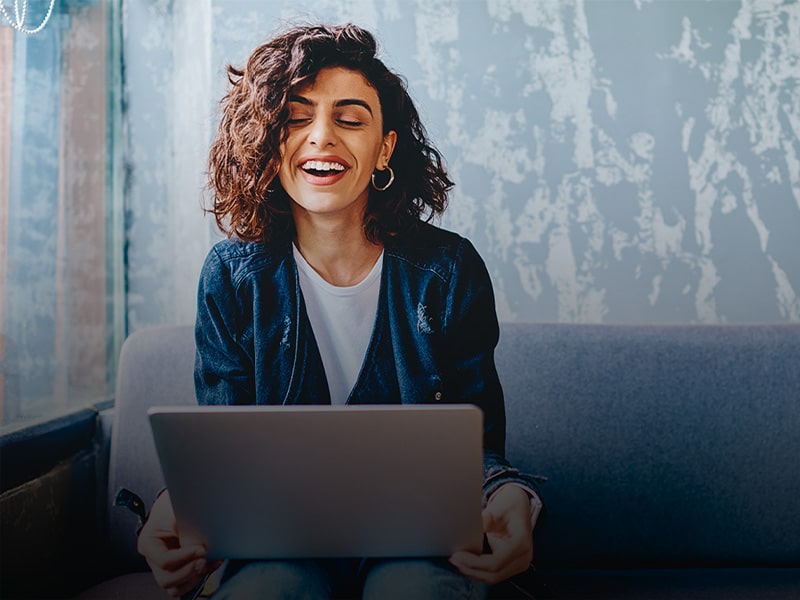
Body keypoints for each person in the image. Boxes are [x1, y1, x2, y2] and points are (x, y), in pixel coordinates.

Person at [137, 23, 543, 599]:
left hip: (419, 549)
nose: (321, 136)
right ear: (267, 141)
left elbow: (475, 449)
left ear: (385, 148)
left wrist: (510, 497)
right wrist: (174, 510)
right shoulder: (230, 277)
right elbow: (221, 455)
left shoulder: (450, 271)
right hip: (275, 550)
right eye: (296, 117)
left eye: (349, 119)